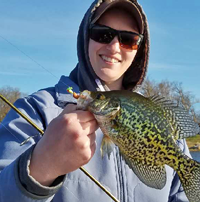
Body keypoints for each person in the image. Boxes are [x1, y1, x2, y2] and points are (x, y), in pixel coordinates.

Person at [0, 0, 191, 201]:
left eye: (128, 39)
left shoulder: (158, 118)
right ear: (85, 37)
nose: (114, 47)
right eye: (102, 34)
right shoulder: (34, 111)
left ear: (139, 49)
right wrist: (41, 167)